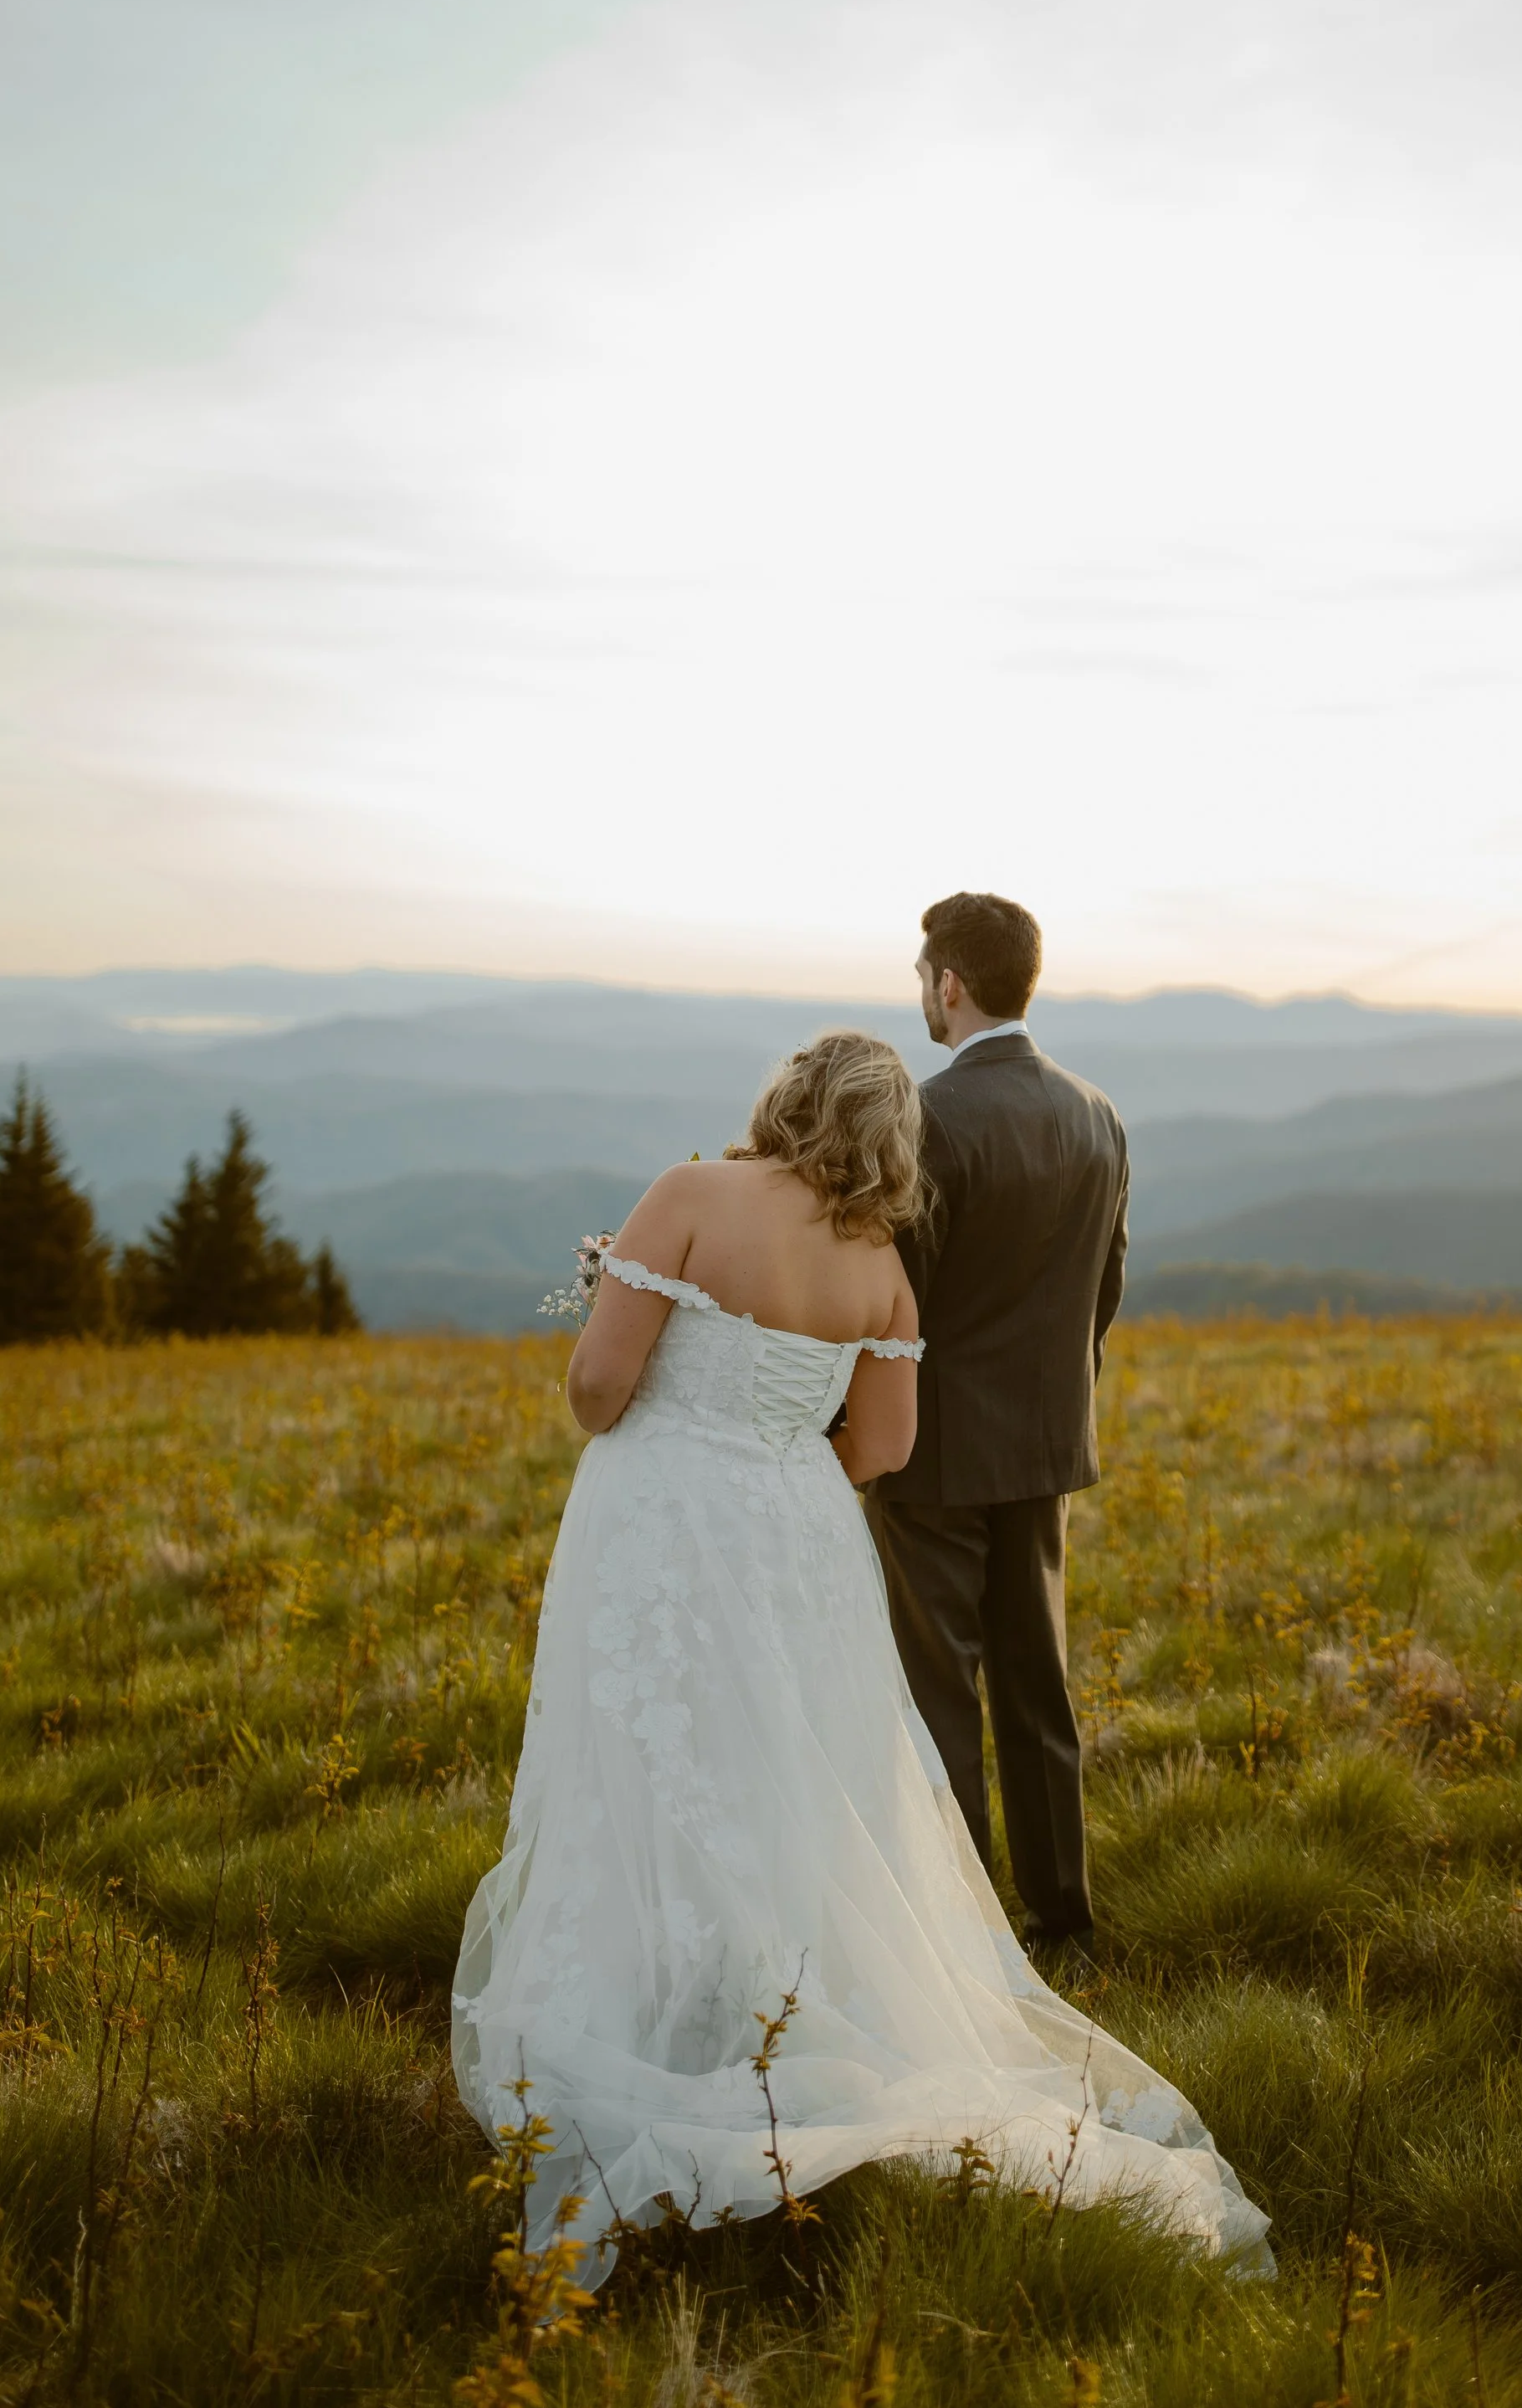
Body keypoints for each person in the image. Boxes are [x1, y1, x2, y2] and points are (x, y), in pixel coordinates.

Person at [452, 1027, 1270, 2279]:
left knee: (645, 1750)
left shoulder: (688, 1194)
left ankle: (650, 2005)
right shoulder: (882, 1269)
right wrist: (779, 1469)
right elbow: (883, 1447)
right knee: (794, 1772)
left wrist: (678, 1409)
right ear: (895, 1137)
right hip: (802, 1540)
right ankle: (785, 2001)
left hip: (659, 1519)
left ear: (785, 1098)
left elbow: (597, 1388)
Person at [867, 893, 1125, 1957]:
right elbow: (1102, 1289)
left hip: (931, 1453)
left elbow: (897, 1302)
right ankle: (1062, 1918)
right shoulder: (1096, 1113)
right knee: (1036, 1684)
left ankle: (968, 1940)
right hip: (1046, 1442)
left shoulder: (923, 1119)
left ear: (951, 984)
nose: (920, 996)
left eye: (921, 978)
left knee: (939, 1693)